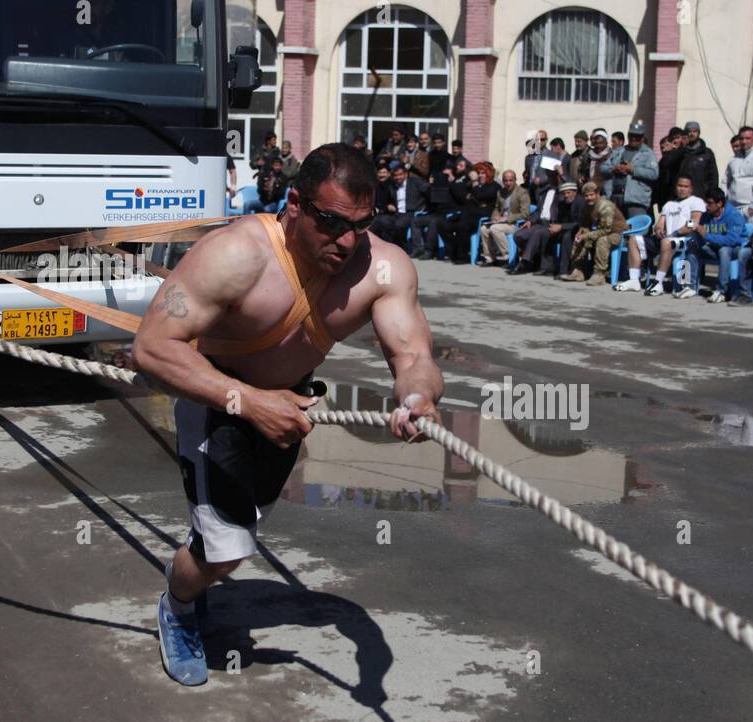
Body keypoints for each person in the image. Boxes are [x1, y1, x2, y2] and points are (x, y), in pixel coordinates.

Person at [131, 143, 444, 687]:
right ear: (295, 204)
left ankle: (199, 567)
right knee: (227, 548)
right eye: (331, 223)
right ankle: (178, 606)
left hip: (289, 407)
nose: (346, 241)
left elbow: (414, 355)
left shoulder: (384, 266)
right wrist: (248, 401)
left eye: (361, 224)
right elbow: (153, 347)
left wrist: (417, 397)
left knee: (236, 529)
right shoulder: (234, 254)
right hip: (219, 399)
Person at [616, 175, 705, 294]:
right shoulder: (669, 204)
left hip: (685, 239)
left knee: (666, 242)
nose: (682, 189)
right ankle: (633, 280)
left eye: (685, 186)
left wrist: (676, 232)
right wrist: (659, 230)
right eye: (679, 186)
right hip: (667, 238)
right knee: (633, 240)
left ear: (691, 189)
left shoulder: (696, 202)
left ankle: (658, 282)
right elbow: (660, 223)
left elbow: (693, 222)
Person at [688, 187, 750, 303]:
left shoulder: (733, 215)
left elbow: (731, 240)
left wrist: (707, 236)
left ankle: (722, 291)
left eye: (710, 203)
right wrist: (696, 235)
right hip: (714, 247)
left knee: (724, 250)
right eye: (705, 202)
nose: (706, 206)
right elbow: (702, 235)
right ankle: (689, 286)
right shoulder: (706, 215)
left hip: (736, 249)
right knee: (692, 245)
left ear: (720, 203)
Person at [562, 181, 626, 286]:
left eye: (591, 195)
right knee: (579, 237)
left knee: (602, 240)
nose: (589, 198)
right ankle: (577, 270)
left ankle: (599, 274)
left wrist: (587, 235)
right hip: (600, 230)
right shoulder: (586, 207)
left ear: (597, 194)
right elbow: (584, 225)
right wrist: (581, 233)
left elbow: (606, 230)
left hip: (617, 233)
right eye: (586, 196)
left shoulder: (605, 207)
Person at [515, 182, 583, 276]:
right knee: (542, 232)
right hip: (560, 228)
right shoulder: (563, 203)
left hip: (576, 230)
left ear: (575, 192)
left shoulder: (580, 202)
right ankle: (541, 265)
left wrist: (561, 227)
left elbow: (580, 223)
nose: (566, 195)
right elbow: (542, 213)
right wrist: (556, 226)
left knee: (566, 237)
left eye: (568, 193)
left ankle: (563, 271)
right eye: (564, 193)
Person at [601, 122, 659, 221]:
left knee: (635, 232)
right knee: (616, 232)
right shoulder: (619, 151)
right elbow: (603, 168)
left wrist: (632, 170)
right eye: (631, 135)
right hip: (615, 198)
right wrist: (615, 169)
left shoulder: (648, 154)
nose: (633, 138)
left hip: (636, 200)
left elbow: (653, 174)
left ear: (642, 137)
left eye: (637, 136)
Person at [445, 159, 494, 264]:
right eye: (478, 173)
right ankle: (452, 253)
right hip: (469, 213)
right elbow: (464, 196)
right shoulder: (472, 185)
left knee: (462, 225)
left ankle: (463, 256)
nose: (480, 176)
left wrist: (475, 184)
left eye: (483, 173)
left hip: (482, 216)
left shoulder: (493, 186)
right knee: (445, 224)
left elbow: (480, 196)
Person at [371, 163, 428, 254]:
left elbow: (428, 191)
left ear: (406, 174)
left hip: (411, 212)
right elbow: (389, 200)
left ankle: (402, 249)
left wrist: (424, 206)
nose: (398, 177)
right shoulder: (392, 186)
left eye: (400, 175)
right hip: (397, 213)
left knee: (399, 224)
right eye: (395, 176)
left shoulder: (415, 182)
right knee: (381, 221)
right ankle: (388, 247)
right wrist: (389, 205)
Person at [479, 170, 531, 266]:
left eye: (511, 180)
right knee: (483, 229)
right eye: (506, 181)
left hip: (514, 223)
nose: (508, 183)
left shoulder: (522, 192)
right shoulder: (501, 192)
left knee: (495, 229)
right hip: (501, 222)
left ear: (515, 180)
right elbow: (497, 208)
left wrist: (507, 218)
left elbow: (525, 214)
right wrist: (495, 216)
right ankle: (490, 258)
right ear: (503, 181)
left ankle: (510, 256)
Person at [677, 121, 720, 201]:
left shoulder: (707, 153)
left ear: (699, 133)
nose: (692, 134)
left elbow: (713, 177)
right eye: (689, 131)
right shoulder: (680, 152)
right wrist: (681, 148)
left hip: (701, 197)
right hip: (682, 198)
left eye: (694, 131)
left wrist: (711, 196)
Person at [655, 127, 688, 210]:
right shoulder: (668, 156)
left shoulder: (685, 152)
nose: (675, 141)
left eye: (677, 138)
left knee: (688, 222)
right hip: (668, 198)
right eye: (672, 139)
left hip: (683, 195)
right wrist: (668, 153)